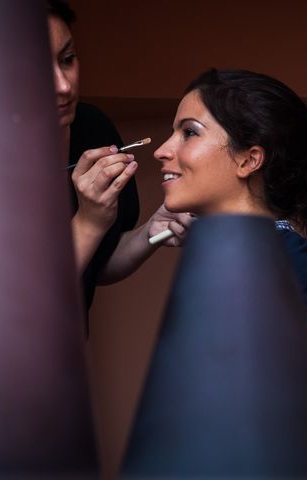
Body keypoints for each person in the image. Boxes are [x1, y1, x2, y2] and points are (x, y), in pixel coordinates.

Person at [153, 69, 307, 343]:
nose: (161, 151)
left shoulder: (288, 257)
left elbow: (293, 379)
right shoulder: (223, 258)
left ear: (248, 160)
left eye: (189, 132)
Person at [47, 0, 192, 333]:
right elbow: (21, 306)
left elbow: (94, 268)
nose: (64, 86)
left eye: (68, 60)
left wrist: (150, 234)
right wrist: (88, 221)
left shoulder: (92, 128)